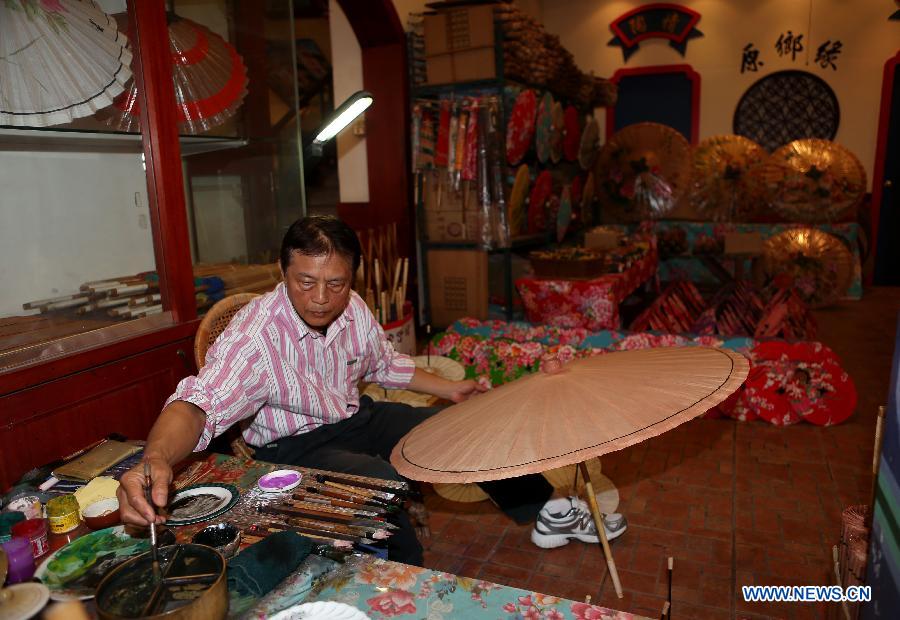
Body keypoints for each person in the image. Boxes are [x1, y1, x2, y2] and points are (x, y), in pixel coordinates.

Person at [118, 215, 624, 565]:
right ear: (284, 272)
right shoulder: (254, 337)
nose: (321, 299)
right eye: (306, 282)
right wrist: (157, 458)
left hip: (358, 417)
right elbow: (198, 404)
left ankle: (546, 513)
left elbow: (385, 365)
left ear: (351, 274)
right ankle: (406, 574)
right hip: (294, 447)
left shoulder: (352, 306)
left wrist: (450, 394)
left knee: (469, 429)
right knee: (383, 481)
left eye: (335, 282)